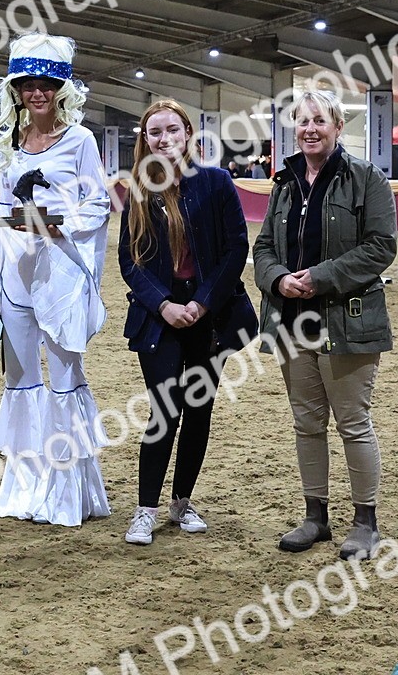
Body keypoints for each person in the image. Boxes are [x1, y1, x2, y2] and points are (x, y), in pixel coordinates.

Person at [252, 90, 397, 561]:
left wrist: (320, 277)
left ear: (337, 126)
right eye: (302, 121)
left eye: (320, 120)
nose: (310, 129)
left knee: (353, 423)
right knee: (306, 423)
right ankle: (315, 516)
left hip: (347, 321)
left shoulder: (366, 179)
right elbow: (263, 249)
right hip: (292, 320)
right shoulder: (285, 182)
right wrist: (277, 280)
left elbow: (381, 247)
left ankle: (365, 522)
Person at [0, 33, 111, 527]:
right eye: (27, 84)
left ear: (60, 88)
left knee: (62, 381)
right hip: (13, 269)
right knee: (20, 381)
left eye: (46, 84)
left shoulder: (80, 140)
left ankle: (65, 490)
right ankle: (25, 488)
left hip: (59, 271)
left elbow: (98, 203)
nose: (37, 93)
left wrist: (60, 223)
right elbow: (0, 211)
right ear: (16, 89)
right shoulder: (7, 143)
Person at [118, 99, 256, 545]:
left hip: (208, 316)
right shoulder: (138, 191)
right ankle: (145, 510)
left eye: (172, 130)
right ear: (146, 140)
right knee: (165, 409)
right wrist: (163, 305)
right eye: (154, 132)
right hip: (159, 319)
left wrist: (202, 302)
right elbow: (129, 260)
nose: (164, 138)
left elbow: (237, 248)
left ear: (187, 135)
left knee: (199, 410)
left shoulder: (216, 183)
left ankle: (181, 502)